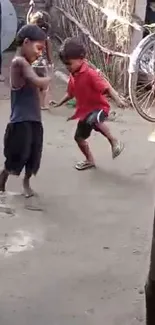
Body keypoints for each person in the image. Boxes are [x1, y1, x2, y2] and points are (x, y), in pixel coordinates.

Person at [51, 37, 126, 170]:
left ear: (81, 59)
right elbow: (70, 94)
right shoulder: (74, 76)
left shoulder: (90, 74)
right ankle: (89, 160)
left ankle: (114, 141)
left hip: (100, 108)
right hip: (85, 112)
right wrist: (58, 103)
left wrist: (118, 99)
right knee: (79, 138)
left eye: (69, 63)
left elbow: (106, 87)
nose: (68, 67)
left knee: (93, 120)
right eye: (66, 64)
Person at [0, 24, 51, 197]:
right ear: (26, 42)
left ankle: (26, 181)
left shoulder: (30, 64)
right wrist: (48, 77)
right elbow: (36, 81)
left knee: (33, 154)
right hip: (20, 120)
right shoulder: (18, 62)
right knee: (17, 155)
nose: (40, 53)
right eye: (38, 48)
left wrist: (44, 79)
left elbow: (42, 93)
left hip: (34, 119)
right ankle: (3, 177)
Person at [27, 0, 53, 110]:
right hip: (42, 64)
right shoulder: (45, 38)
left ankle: (32, 103)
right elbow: (49, 52)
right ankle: (42, 104)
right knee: (44, 85)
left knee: (33, 84)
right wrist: (51, 62)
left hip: (32, 63)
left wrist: (31, 8)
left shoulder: (30, 35)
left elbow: (28, 19)